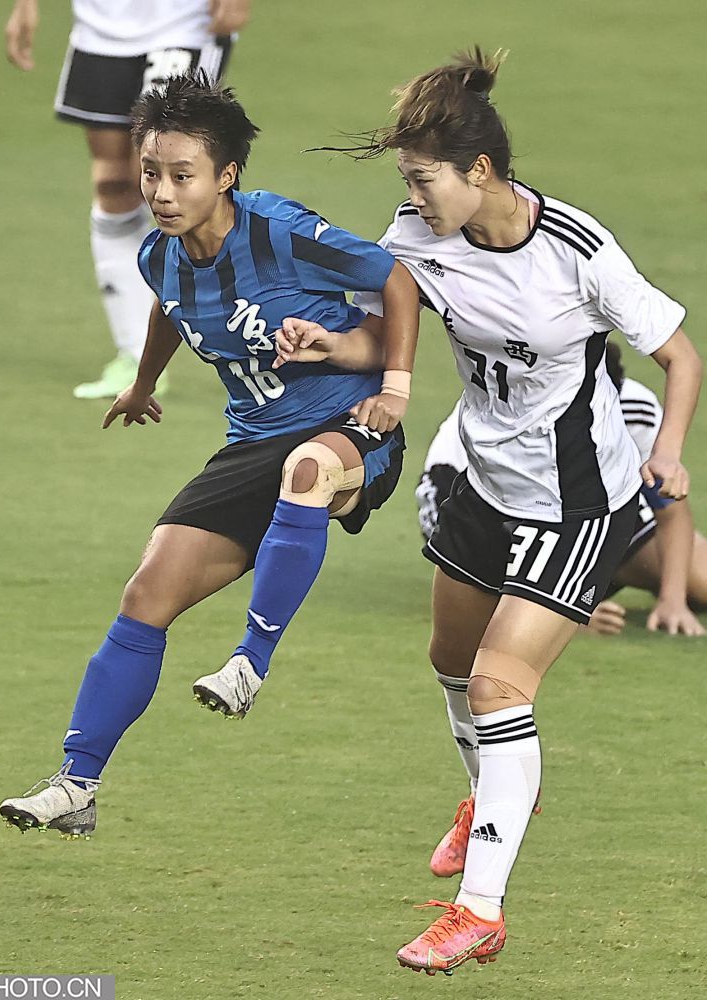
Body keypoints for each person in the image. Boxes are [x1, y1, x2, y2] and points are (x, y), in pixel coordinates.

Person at [271, 48, 701, 975]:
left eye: (423, 180)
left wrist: (666, 452)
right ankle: (495, 797)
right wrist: (326, 346)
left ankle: (479, 910)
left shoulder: (576, 250)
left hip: (571, 503)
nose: (412, 198)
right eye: (406, 181)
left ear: (480, 170)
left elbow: (682, 357)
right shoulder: (417, 235)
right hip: (479, 478)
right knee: (452, 665)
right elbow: (385, 337)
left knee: (502, 689)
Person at [0, 73, 420, 838]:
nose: (161, 192)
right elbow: (171, 307)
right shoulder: (158, 257)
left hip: (349, 421)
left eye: (181, 175)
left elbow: (396, 278)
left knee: (308, 472)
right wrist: (141, 384)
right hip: (252, 442)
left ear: (225, 176)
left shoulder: (277, 230)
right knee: (144, 597)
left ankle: (249, 663)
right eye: (150, 173)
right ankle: (76, 785)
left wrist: (394, 388)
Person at [5, 0, 251, 399]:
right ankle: (135, 355)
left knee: (167, 171)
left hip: (183, 23)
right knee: (113, 182)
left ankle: (249, 320)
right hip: (99, 27)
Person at [417, 345, 706, 637]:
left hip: (584, 506)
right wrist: (564, 612)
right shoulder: (513, 412)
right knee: (491, 596)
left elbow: (670, 510)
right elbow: (492, 526)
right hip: (474, 502)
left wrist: (673, 601)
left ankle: (593, 582)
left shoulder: (632, 408)